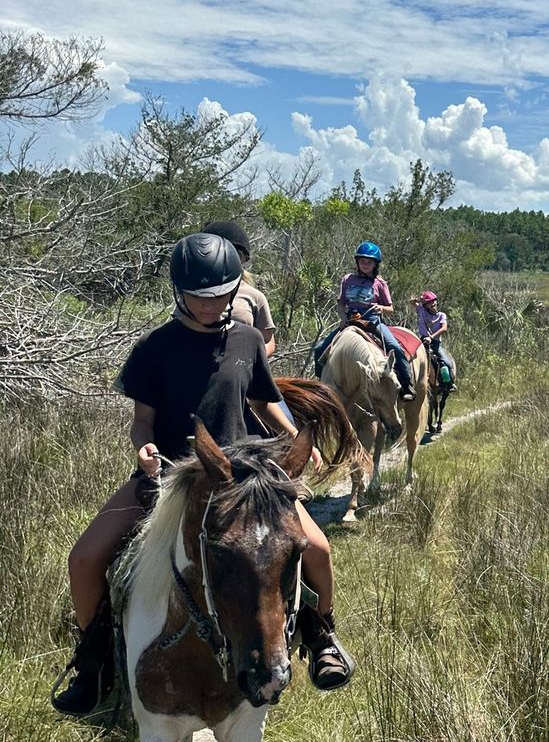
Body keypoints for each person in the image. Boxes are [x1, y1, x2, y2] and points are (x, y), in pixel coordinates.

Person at [51, 233, 354, 716]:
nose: (210, 305)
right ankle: (95, 663)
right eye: (199, 296)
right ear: (178, 292)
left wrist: (296, 437)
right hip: (170, 475)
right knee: (85, 559)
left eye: (219, 295)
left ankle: (321, 636)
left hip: (243, 480)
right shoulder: (155, 348)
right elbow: (142, 421)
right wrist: (143, 448)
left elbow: (263, 399)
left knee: (317, 548)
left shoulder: (248, 339)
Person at [313, 242, 414, 400]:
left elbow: (390, 308)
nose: (365, 264)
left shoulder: (379, 283)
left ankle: (407, 385)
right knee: (320, 349)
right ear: (357, 262)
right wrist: (342, 318)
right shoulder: (348, 279)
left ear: (375, 264)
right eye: (362, 261)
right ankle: (321, 387)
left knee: (394, 346)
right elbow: (341, 304)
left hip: (373, 322)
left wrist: (381, 308)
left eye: (369, 261)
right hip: (351, 320)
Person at [202, 218, 276, 354]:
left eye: (234, 255)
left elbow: (268, 340)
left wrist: (251, 359)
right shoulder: (193, 293)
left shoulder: (255, 297)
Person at [415, 289, 456, 391]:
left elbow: (444, 328)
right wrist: (418, 299)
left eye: (433, 301)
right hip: (422, 340)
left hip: (435, 342)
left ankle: (448, 383)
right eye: (429, 302)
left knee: (445, 361)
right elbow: (411, 302)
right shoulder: (422, 312)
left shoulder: (442, 315)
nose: (432, 303)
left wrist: (431, 337)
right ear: (425, 305)